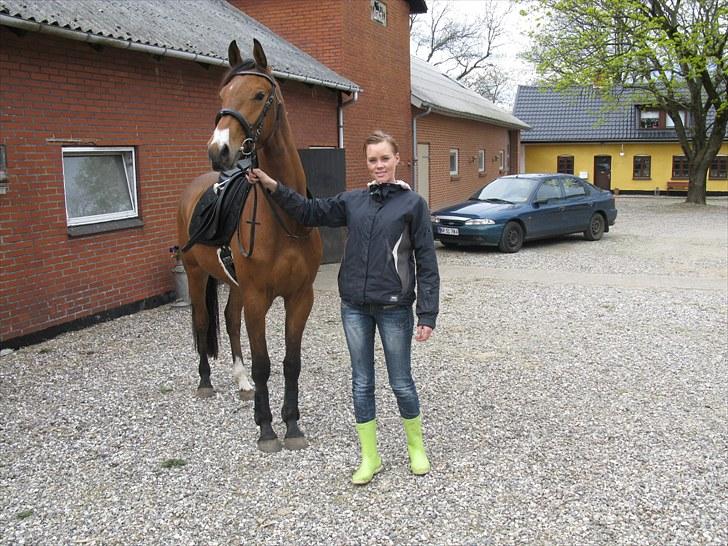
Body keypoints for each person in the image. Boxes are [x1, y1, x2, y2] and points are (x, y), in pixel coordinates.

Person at [247, 130, 439, 485]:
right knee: (362, 383)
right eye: (372, 160)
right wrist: (273, 185)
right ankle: (371, 457)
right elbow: (308, 210)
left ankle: (416, 448)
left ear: (397, 159)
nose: (379, 165)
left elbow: (427, 261)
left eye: (384, 158)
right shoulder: (354, 200)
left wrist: (427, 313)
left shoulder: (413, 205)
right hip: (354, 307)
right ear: (366, 163)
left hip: (395, 307)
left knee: (401, 382)